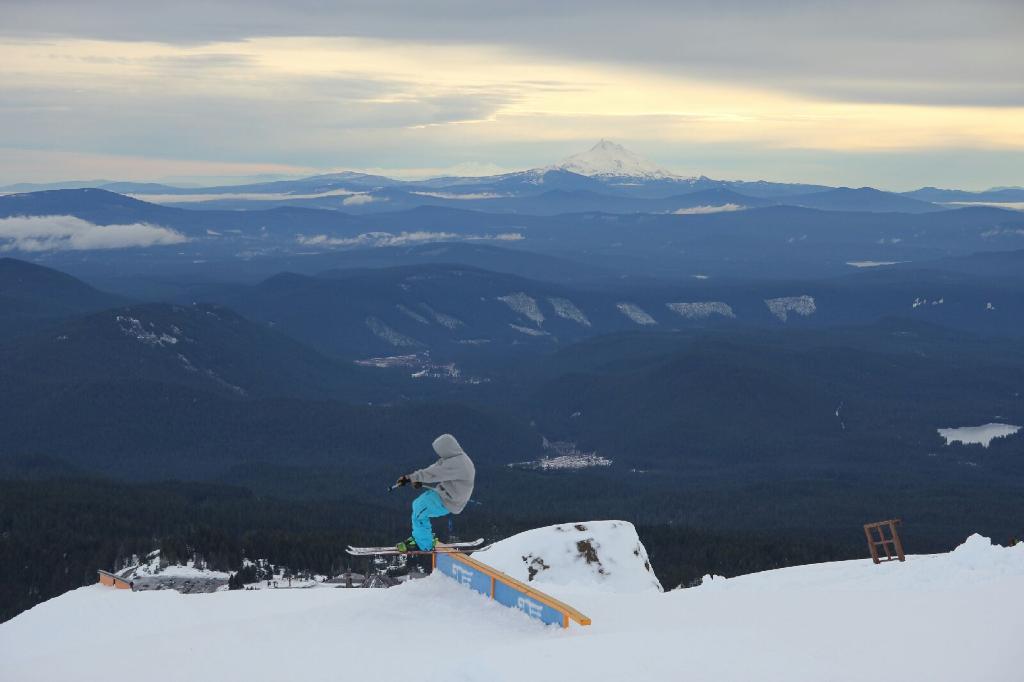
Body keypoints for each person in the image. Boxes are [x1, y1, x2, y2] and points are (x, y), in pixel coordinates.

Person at [394, 433, 475, 552]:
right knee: (417, 504)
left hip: (450, 501)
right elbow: (436, 467)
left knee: (419, 511)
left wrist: (410, 478)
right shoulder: (455, 457)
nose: (439, 454)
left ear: (446, 448)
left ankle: (424, 544)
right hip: (446, 493)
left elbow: (433, 473)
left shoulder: (457, 463)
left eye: (440, 450)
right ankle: (421, 535)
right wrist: (418, 479)